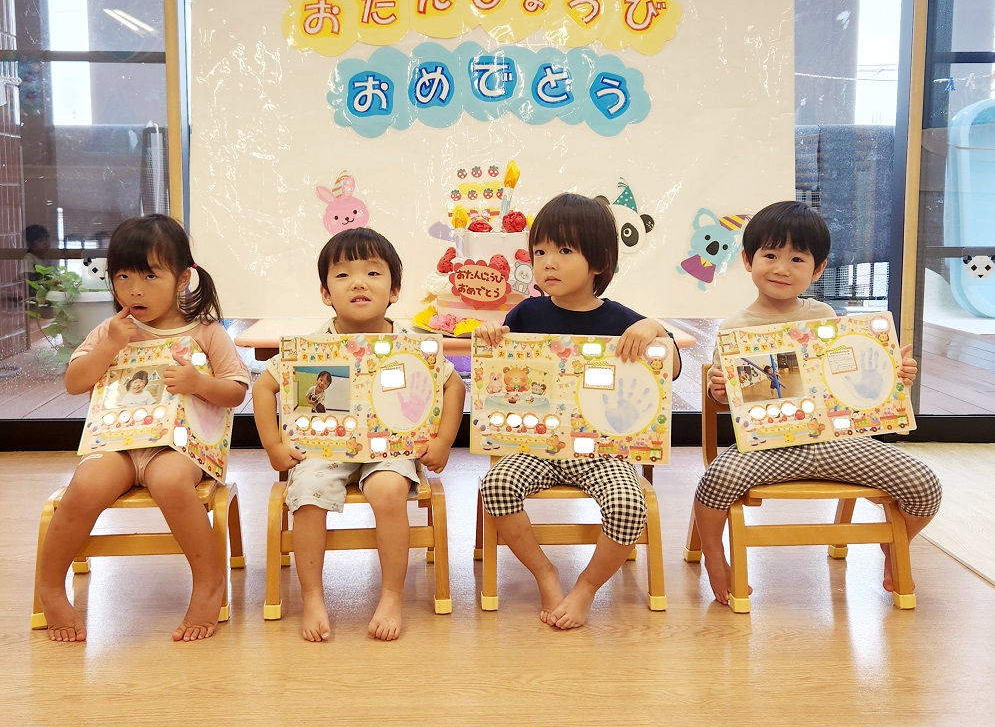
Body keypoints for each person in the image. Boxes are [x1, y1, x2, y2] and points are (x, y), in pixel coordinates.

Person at [693, 200, 942, 605]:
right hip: (768, 446)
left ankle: (894, 544)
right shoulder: (735, 328)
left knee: (924, 486)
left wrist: (892, 376)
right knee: (714, 481)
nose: (782, 268)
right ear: (747, 260)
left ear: (818, 269)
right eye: (770, 255)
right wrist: (718, 391)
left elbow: (850, 383)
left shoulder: (824, 317)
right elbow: (727, 398)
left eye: (797, 259)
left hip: (837, 443)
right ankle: (714, 556)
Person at [36, 214, 249, 643]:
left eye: (150, 276)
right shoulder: (113, 330)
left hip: (177, 448)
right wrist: (110, 346)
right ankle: (50, 588)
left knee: (170, 481)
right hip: (117, 445)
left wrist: (199, 383)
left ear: (183, 278)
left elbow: (236, 390)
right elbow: (75, 382)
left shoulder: (205, 331)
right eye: (123, 276)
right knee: (85, 484)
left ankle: (208, 584)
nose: (134, 289)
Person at [476, 193, 682, 630]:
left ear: (600, 262)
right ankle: (545, 573)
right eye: (540, 252)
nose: (548, 262)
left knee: (629, 505)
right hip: (536, 447)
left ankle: (586, 587)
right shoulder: (527, 313)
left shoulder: (621, 320)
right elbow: (498, 362)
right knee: (495, 486)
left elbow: (673, 367)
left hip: (604, 454)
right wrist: (492, 333)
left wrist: (654, 329)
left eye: (565, 251)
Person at [252, 227, 465, 643]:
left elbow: (453, 384)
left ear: (395, 290)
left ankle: (391, 597)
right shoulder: (313, 346)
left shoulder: (410, 344)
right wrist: (273, 445)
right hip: (324, 448)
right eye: (343, 275)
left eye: (373, 272)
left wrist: (442, 440)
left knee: (388, 490)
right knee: (307, 494)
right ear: (325, 293)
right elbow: (264, 386)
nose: (359, 283)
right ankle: (312, 597)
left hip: (390, 447)